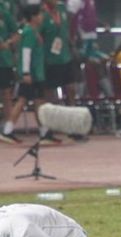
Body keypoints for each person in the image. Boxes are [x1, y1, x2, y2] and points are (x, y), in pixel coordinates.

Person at [0, 5, 49, 145]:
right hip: (31, 73)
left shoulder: (34, 31)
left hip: (37, 73)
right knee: (22, 101)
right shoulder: (28, 32)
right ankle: (7, 131)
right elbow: (26, 52)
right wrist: (26, 72)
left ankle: (44, 131)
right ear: (33, 17)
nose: (42, 17)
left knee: (39, 101)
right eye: (39, 14)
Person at [41, 0, 76, 144]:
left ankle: (73, 127)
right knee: (51, 96)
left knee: (71, 90)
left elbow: (66, 29)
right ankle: (50, 128)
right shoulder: (41, 14)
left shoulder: (62, 9)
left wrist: (71, 44)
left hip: (66, 57)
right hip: (50, 60)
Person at [0, 1, 18, 130]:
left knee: (6, 92)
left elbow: (16, 34)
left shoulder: (4, 12)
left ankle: (8, 127)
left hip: (3, 60)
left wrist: (8, 43)